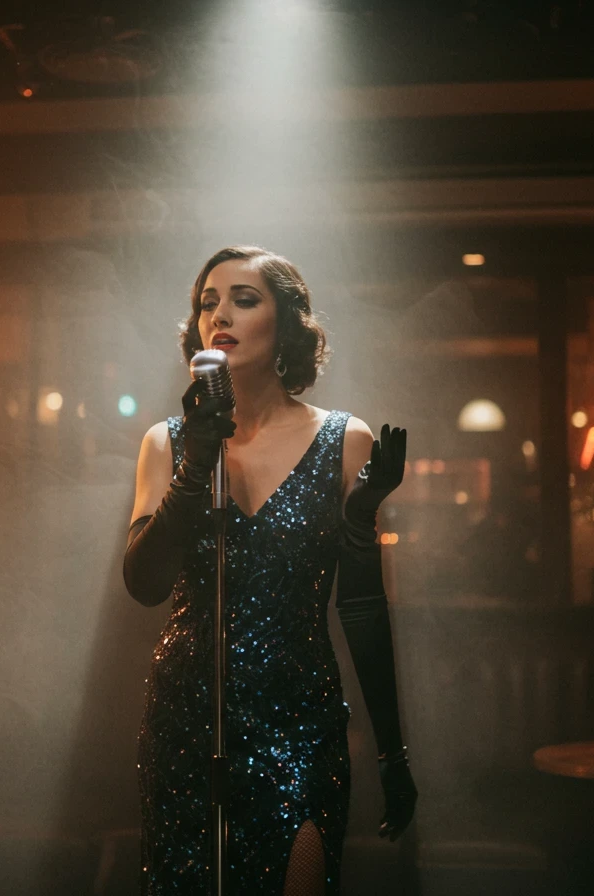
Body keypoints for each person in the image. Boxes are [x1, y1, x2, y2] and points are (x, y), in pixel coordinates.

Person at [123, 246, 418, 895]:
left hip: (299, 724)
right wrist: (197, 464)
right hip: (186, 722)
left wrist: (392, 750)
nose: (219, 314)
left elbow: (363, 607)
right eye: (208, 302)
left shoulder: (346, 440)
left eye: (243, 299)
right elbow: (144, 585)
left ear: (286, 324)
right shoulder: (165, 443)